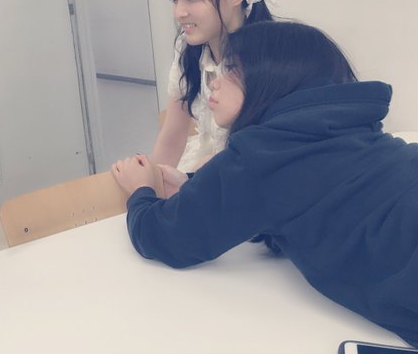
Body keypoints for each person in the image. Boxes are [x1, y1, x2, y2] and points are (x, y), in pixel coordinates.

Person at [111, 21, 418, 347]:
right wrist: (194, 184)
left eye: (232, 69)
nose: (215, 82)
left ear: (271, 78)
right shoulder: (346, 131)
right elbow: (297, 194)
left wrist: (140, 191)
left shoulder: (263, 154)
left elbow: (167, 236)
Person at [151, 0, 280, 174]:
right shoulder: (188, 50)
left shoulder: (265, 58)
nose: (179, 13)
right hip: (211, 165)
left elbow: (266, 152)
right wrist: (151, 186)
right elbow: (172, 135)